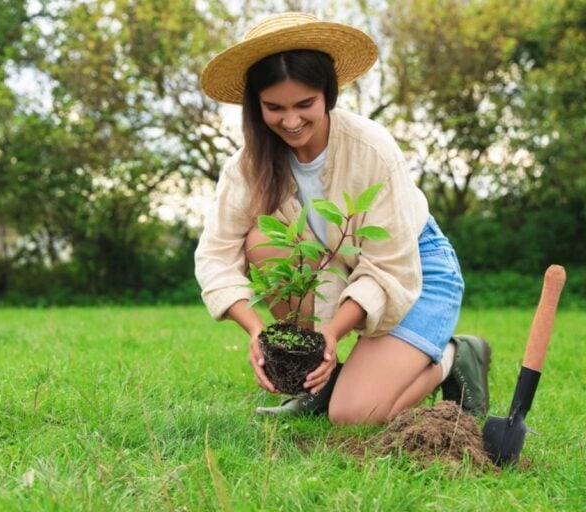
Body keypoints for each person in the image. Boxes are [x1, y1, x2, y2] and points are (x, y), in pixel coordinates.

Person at [194, 12, 491, 424]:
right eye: (274, 107)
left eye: (305, 104)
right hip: (340, 268)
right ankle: (319, 381)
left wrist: (330, 334)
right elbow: (216, 254)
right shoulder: (248, 166)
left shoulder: (372, 149)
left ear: (328, 94)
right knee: (263, 240)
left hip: (412, 271)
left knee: (355, 415)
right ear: (255, 105)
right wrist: (257, 331)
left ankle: (457, 356)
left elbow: (387, 264)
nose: (291, 121)